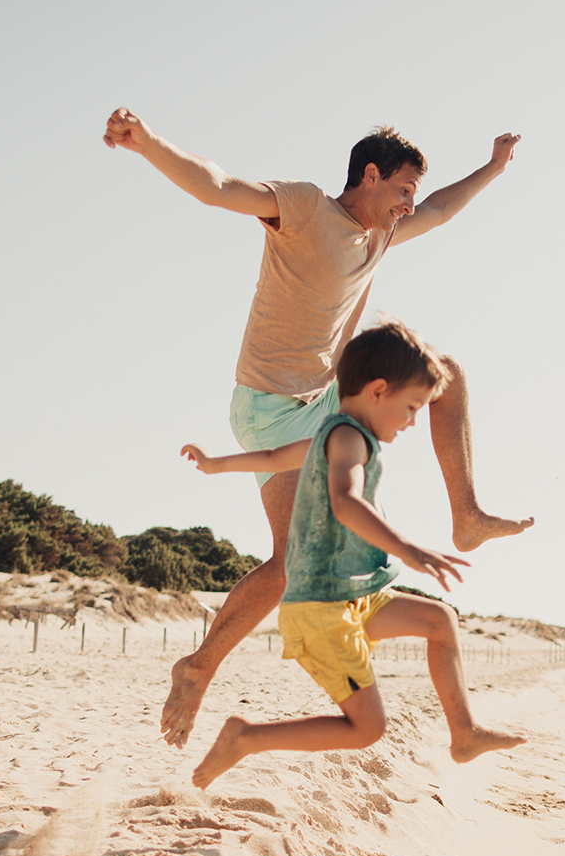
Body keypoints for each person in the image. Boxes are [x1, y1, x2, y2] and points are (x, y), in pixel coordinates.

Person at [106, 108, 534, 750]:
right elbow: (219, 187)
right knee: (287, 565)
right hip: (271, 406)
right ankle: (197, 668)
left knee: (445, 373)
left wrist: (494, 168)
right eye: (402, 189)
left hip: (325, 392)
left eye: (412, 193)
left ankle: (465, 516)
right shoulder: (306, 209)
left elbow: (444, 209)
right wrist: (146, 144)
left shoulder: (381, 234)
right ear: (369, 174)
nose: (408, 205)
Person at [179, 322, 526, 788]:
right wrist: (408, 550)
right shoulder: (349, 441)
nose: (411, 422)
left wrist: (215, 464)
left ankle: (463, 734)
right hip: (322, 610)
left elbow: (273, 458)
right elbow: (345, 501)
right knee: (368, 728)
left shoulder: (333, 432)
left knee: (440, 621)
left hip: (351, 599)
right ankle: (245, 738)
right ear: (378, 391)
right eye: (411, 408)